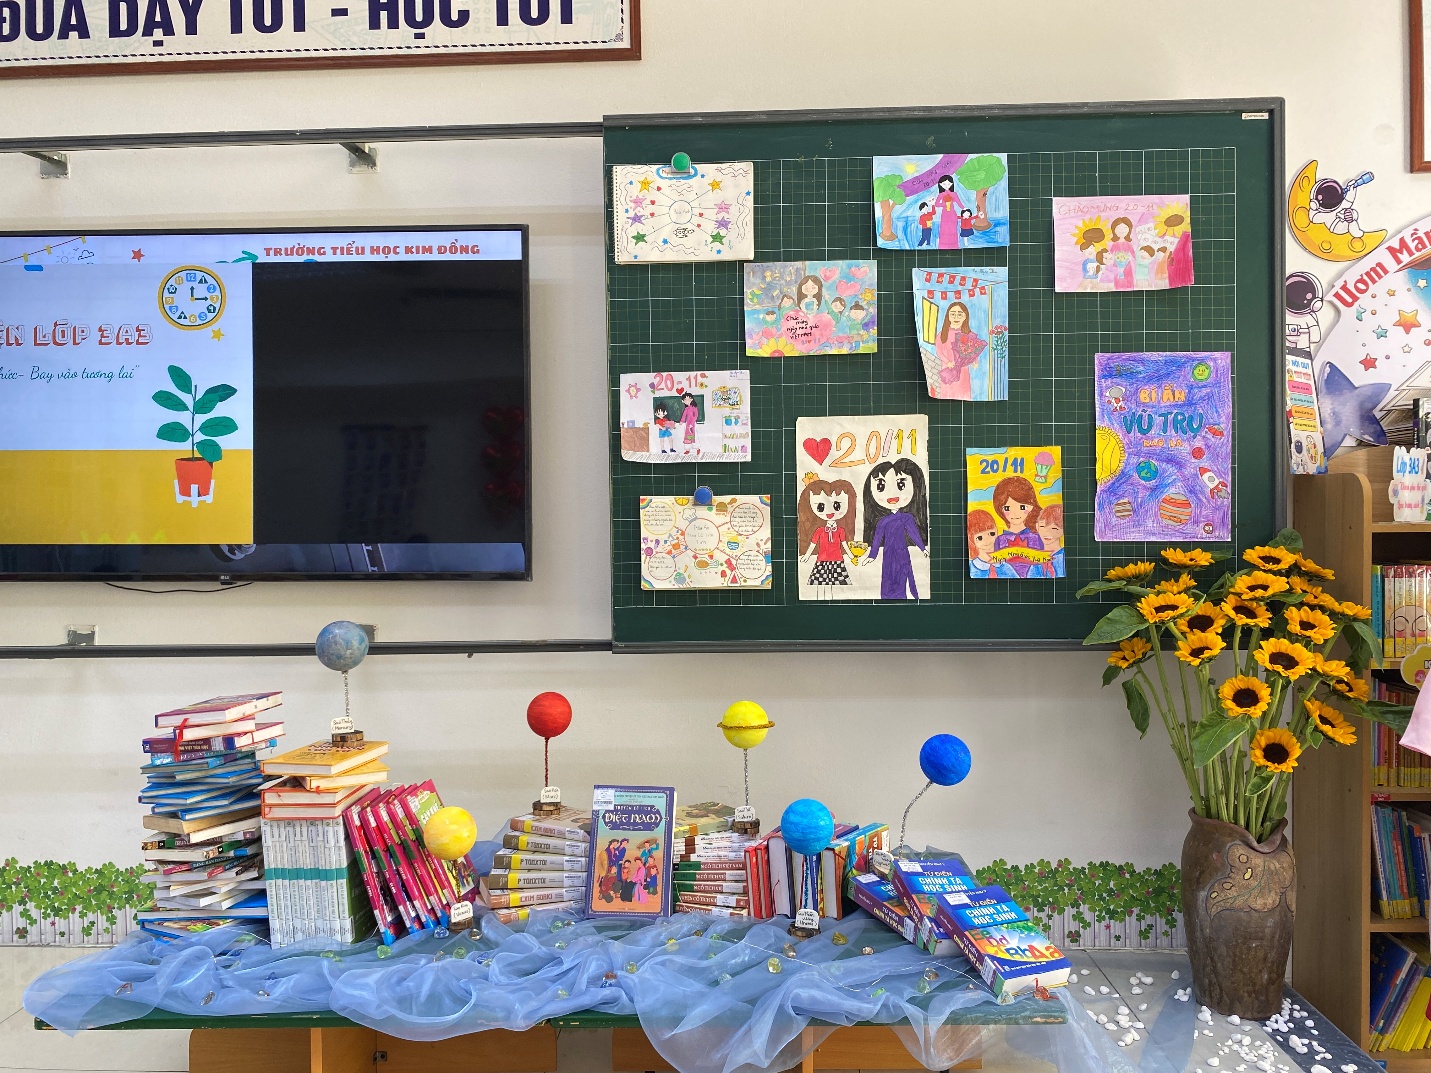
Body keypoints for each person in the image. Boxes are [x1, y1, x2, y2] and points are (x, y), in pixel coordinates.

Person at [861, 458, 929, 600]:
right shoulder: (882, 521)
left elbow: (914, 534)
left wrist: (923, 548)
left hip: (902, 552)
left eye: (900, 484)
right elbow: (877, 539)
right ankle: (888, 596)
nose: (892, 493)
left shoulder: (907, 518)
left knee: (904, 574)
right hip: (888, 554)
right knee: (888, 576)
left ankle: (903, 595)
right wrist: (871, 556)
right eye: (881, 486)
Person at [797, 477, 858, 599]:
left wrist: (852, 557)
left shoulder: (840, 530)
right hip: (822, 561)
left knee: (837, 588)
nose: (830, 512)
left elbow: (844, 544)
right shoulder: (819, 531)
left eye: (837, 505)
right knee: (820, 586)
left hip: (837, 560)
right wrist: (807, 556)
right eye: (820, 507)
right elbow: (813, 544)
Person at [991, 475, 1044, 578]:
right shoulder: (999, 540)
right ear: (1000, 509)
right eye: (1007, 508)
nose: (1015, 513)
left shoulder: (1037, 538)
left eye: (1022, 507)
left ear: (1031, 506)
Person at [933, 301, 987, 400]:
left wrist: (975, 361)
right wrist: (947, 362)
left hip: (963, 370)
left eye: (960, 314)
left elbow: (973, 349)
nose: (956, 317)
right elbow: (939, 351)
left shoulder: (967, 334)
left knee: (963, 392)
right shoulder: (942, 334)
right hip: (948, 369)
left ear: (965, 316)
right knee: (948, 392)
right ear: (948, 316)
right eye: (953, 314)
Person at [1030, 503, 1065, 578]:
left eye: (1054, 528)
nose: (1047, 532)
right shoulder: (1036, 560)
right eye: (1042, 526)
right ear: (1037, 526)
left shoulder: (1063, 557)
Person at [933, 174, 966, 249]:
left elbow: (958, 202)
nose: (946, 185)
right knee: (944, 228)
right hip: (945, 214)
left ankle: (953, 245)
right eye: (944, 184)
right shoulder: (941, 194)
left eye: (948, 183)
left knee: (952, 228)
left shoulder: (954, 194)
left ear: (952, 184)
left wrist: (963, 208)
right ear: (940, 184)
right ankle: (943, 244)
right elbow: (937, 204)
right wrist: (944, 204)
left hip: (952, 214)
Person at [967, 509, 999, 578]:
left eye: (991, 533)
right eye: (979, 538)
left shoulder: (1006, 566)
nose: (987, 540)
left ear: (996, 531)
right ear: (971, 539)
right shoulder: (971, 568)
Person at [1108, 217, 1135, 291]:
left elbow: (1133, 254)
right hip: (1116, 265)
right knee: (1117, 280)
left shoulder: (1128, 244)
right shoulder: (1115, 244)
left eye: (1125, 228)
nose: (1122, 230)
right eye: (1118, 228)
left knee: (1127, 279)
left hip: (1127, 266)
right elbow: (1110, 254)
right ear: (1114, 230)